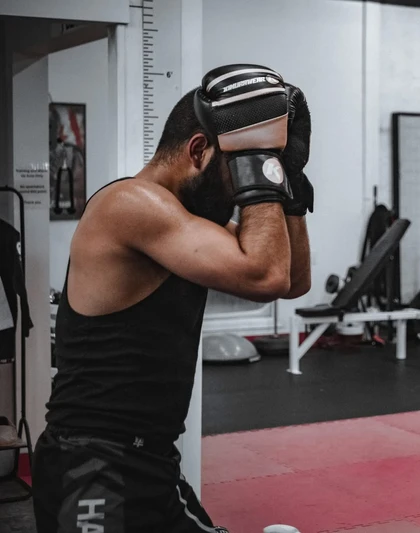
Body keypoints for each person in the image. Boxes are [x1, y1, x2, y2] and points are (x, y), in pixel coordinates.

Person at [31, 65, 310, 533]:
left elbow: (290, 279)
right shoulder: (131, 204)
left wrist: (290, 183)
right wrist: (258, 161)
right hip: (93, 465)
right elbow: (265, 274)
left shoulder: (183, 222)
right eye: (237, 172)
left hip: (151, 461)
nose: (241, 192)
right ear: (198, 151)